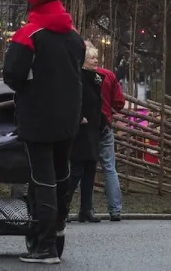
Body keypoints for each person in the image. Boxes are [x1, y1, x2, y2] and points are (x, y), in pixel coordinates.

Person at [2, 0, 83, 263]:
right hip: (69, 116)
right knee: (61, 175)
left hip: (38, 115)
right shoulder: (74, 37)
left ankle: (44, 245)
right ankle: (58, 230)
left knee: (43, 177)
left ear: (32, 0)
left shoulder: (29, 34)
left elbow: (11, 76)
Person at [87, 44, 125, 221]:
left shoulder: (78, 75)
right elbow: (119, 103)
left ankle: (87, 208)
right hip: (105, 125)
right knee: (109, 167)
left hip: (85, 128)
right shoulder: (108, 75)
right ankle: (115, 209)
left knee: (84, 168)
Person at [70, 39, 105, 223]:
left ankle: (86, 209)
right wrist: (79, 117)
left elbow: (97, 104)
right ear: (83, 60)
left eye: (97, 57)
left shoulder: (95, 79)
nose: (96, 61)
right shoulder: (79, 78)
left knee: (90, 170)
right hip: (81, 130)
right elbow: (73, 100)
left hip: (92, 129)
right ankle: (64, 206)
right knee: (76, 170)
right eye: (92, 57)